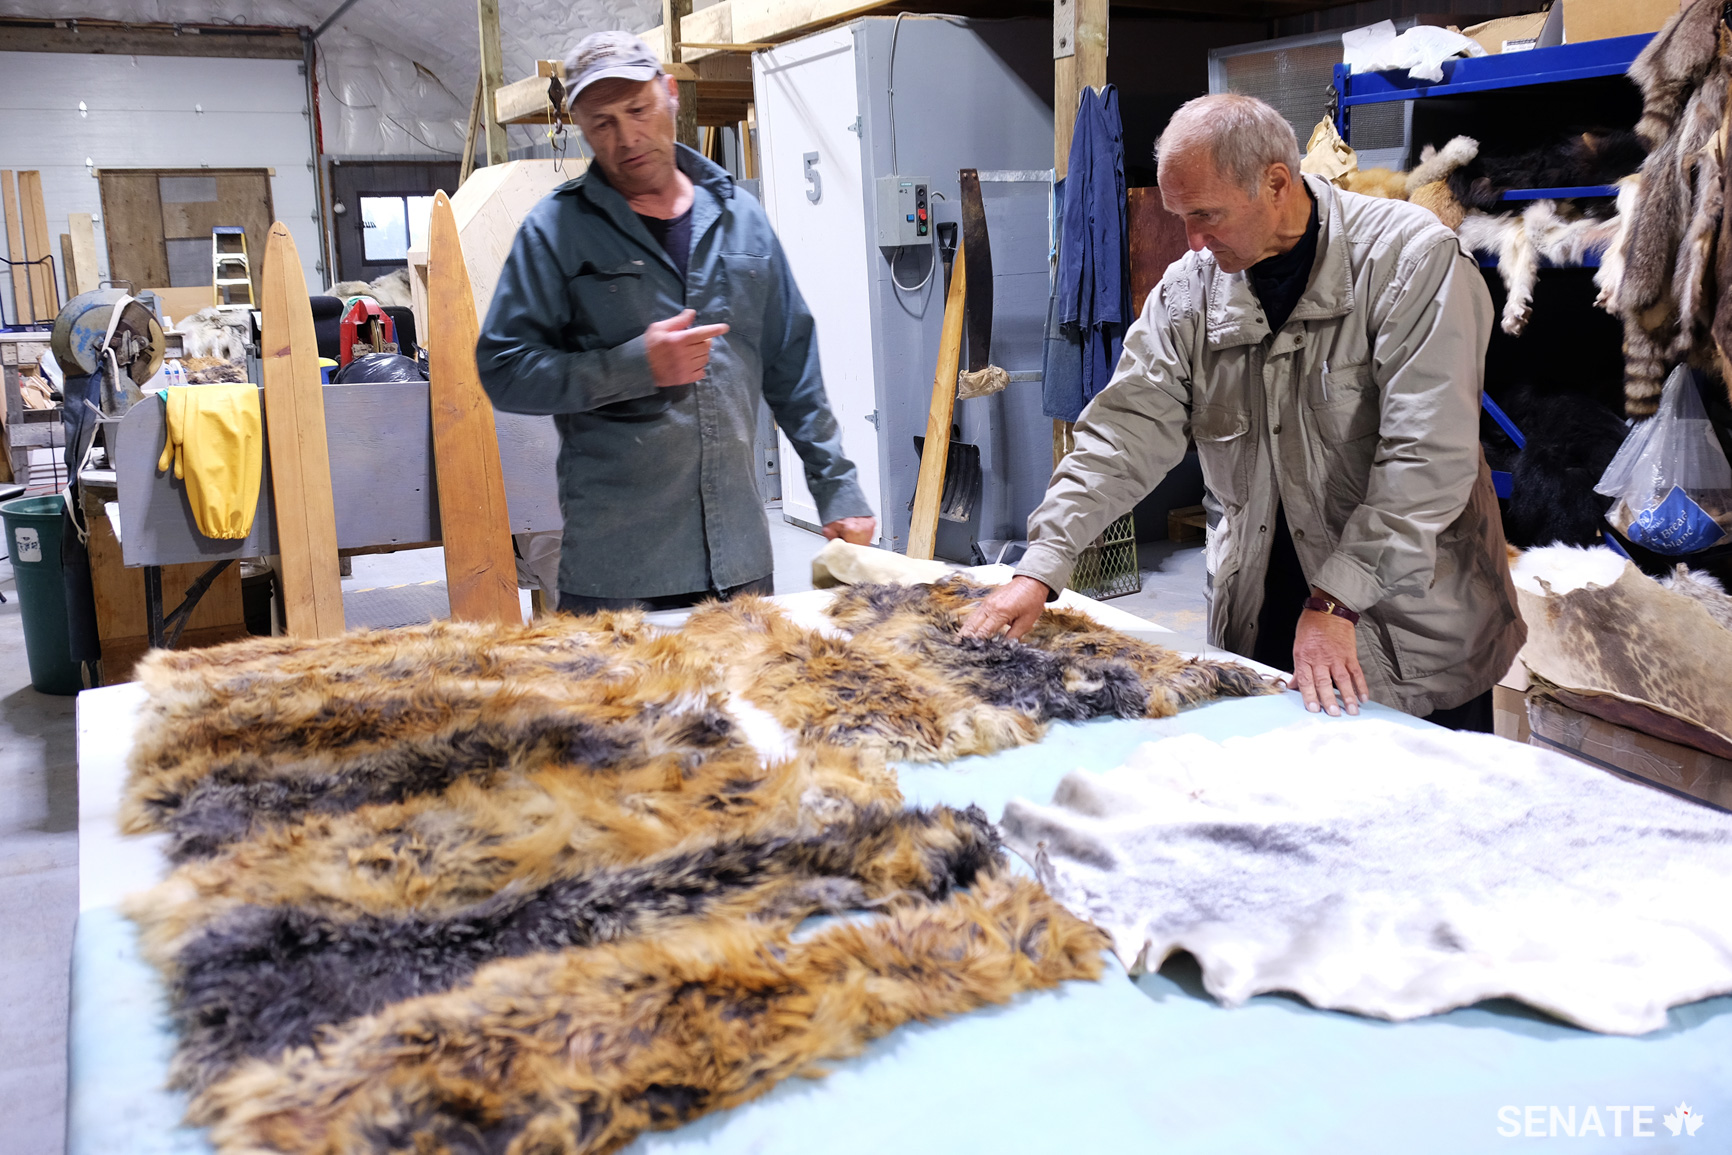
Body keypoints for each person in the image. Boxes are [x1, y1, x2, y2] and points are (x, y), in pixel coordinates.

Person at [962, 94, 1524, 731]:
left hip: (1404, 627)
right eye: (1181, 218)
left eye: (1207, 216)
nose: (1193, 242)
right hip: (1261, 614)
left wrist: (1338, 603)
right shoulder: (1189, 292)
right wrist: (1042, 566)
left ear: (1276, 183)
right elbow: (1121, 433)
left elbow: (1427, 460)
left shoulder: (1411, 263)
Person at [476, 31, 875, 614]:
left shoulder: (741, 217)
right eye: (602, 122)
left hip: (740, 565)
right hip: (620, 574)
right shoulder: (554, 230)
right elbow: (504, 369)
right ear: (581, 127)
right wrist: (633, 366)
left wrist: (835, 485)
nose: (627, 137)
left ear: (668, 95)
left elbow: (792, 364)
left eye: (637, 109)